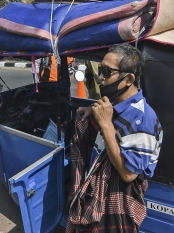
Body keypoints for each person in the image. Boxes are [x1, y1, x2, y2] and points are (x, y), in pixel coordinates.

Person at [66, 44, 163, 233]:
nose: (100, 77)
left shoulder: (143, 119)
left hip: (117, 203)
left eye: (107, 72)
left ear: (128, 79)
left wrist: (106, 124)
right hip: (96, 196)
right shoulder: (113, 103)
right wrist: (92, 112)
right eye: (100, 69)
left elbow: (128, 174)